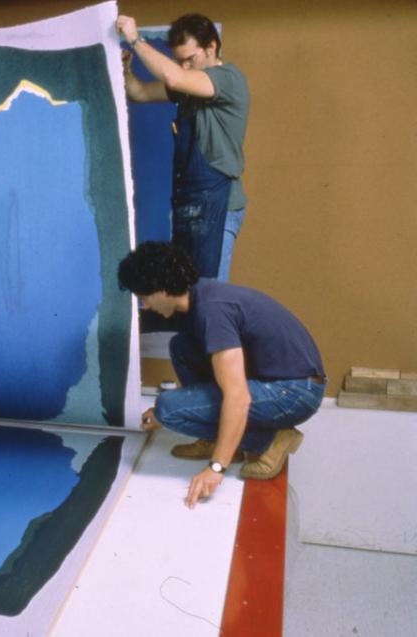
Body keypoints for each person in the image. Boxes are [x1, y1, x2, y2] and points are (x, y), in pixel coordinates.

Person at [117, 242, 326, 508]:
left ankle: (271, 441)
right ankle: (218, 440)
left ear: (162, 289)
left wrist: (216, 467)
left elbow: (237, 396)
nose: (145, 305)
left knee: (169, 409)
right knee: (182, 347)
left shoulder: (212, 311)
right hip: (285, 383)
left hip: (294, 392)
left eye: (144, 297)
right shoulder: (200, 295)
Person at [116, 14, 249, 282]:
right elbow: (139, 92)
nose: (185, 67)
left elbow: (175, 79)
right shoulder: (189, 88)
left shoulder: (227, 78)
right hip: (189, 205)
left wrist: (134, 40)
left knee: (209, 298)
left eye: (191, 59)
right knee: (185, 295)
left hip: (218, 206)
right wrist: (126, 70)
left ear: (211, 47)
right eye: (180, 61)